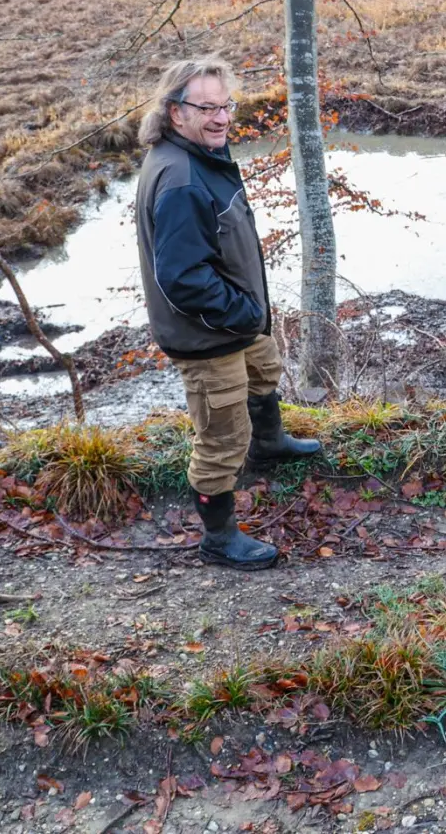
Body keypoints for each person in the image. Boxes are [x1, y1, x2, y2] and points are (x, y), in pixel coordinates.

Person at [134, 56, 321, 571]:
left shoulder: (199, 154)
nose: (220, 118)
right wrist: (241, 310)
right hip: (208, 334)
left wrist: (249, 313)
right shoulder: (181, 178)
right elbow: (183, 278)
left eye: (225, 106)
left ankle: (269, 444)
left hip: (238, 321)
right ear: (175, 112)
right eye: (206, 108)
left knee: (264, 371)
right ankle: (219, 538)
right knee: (220, 437)